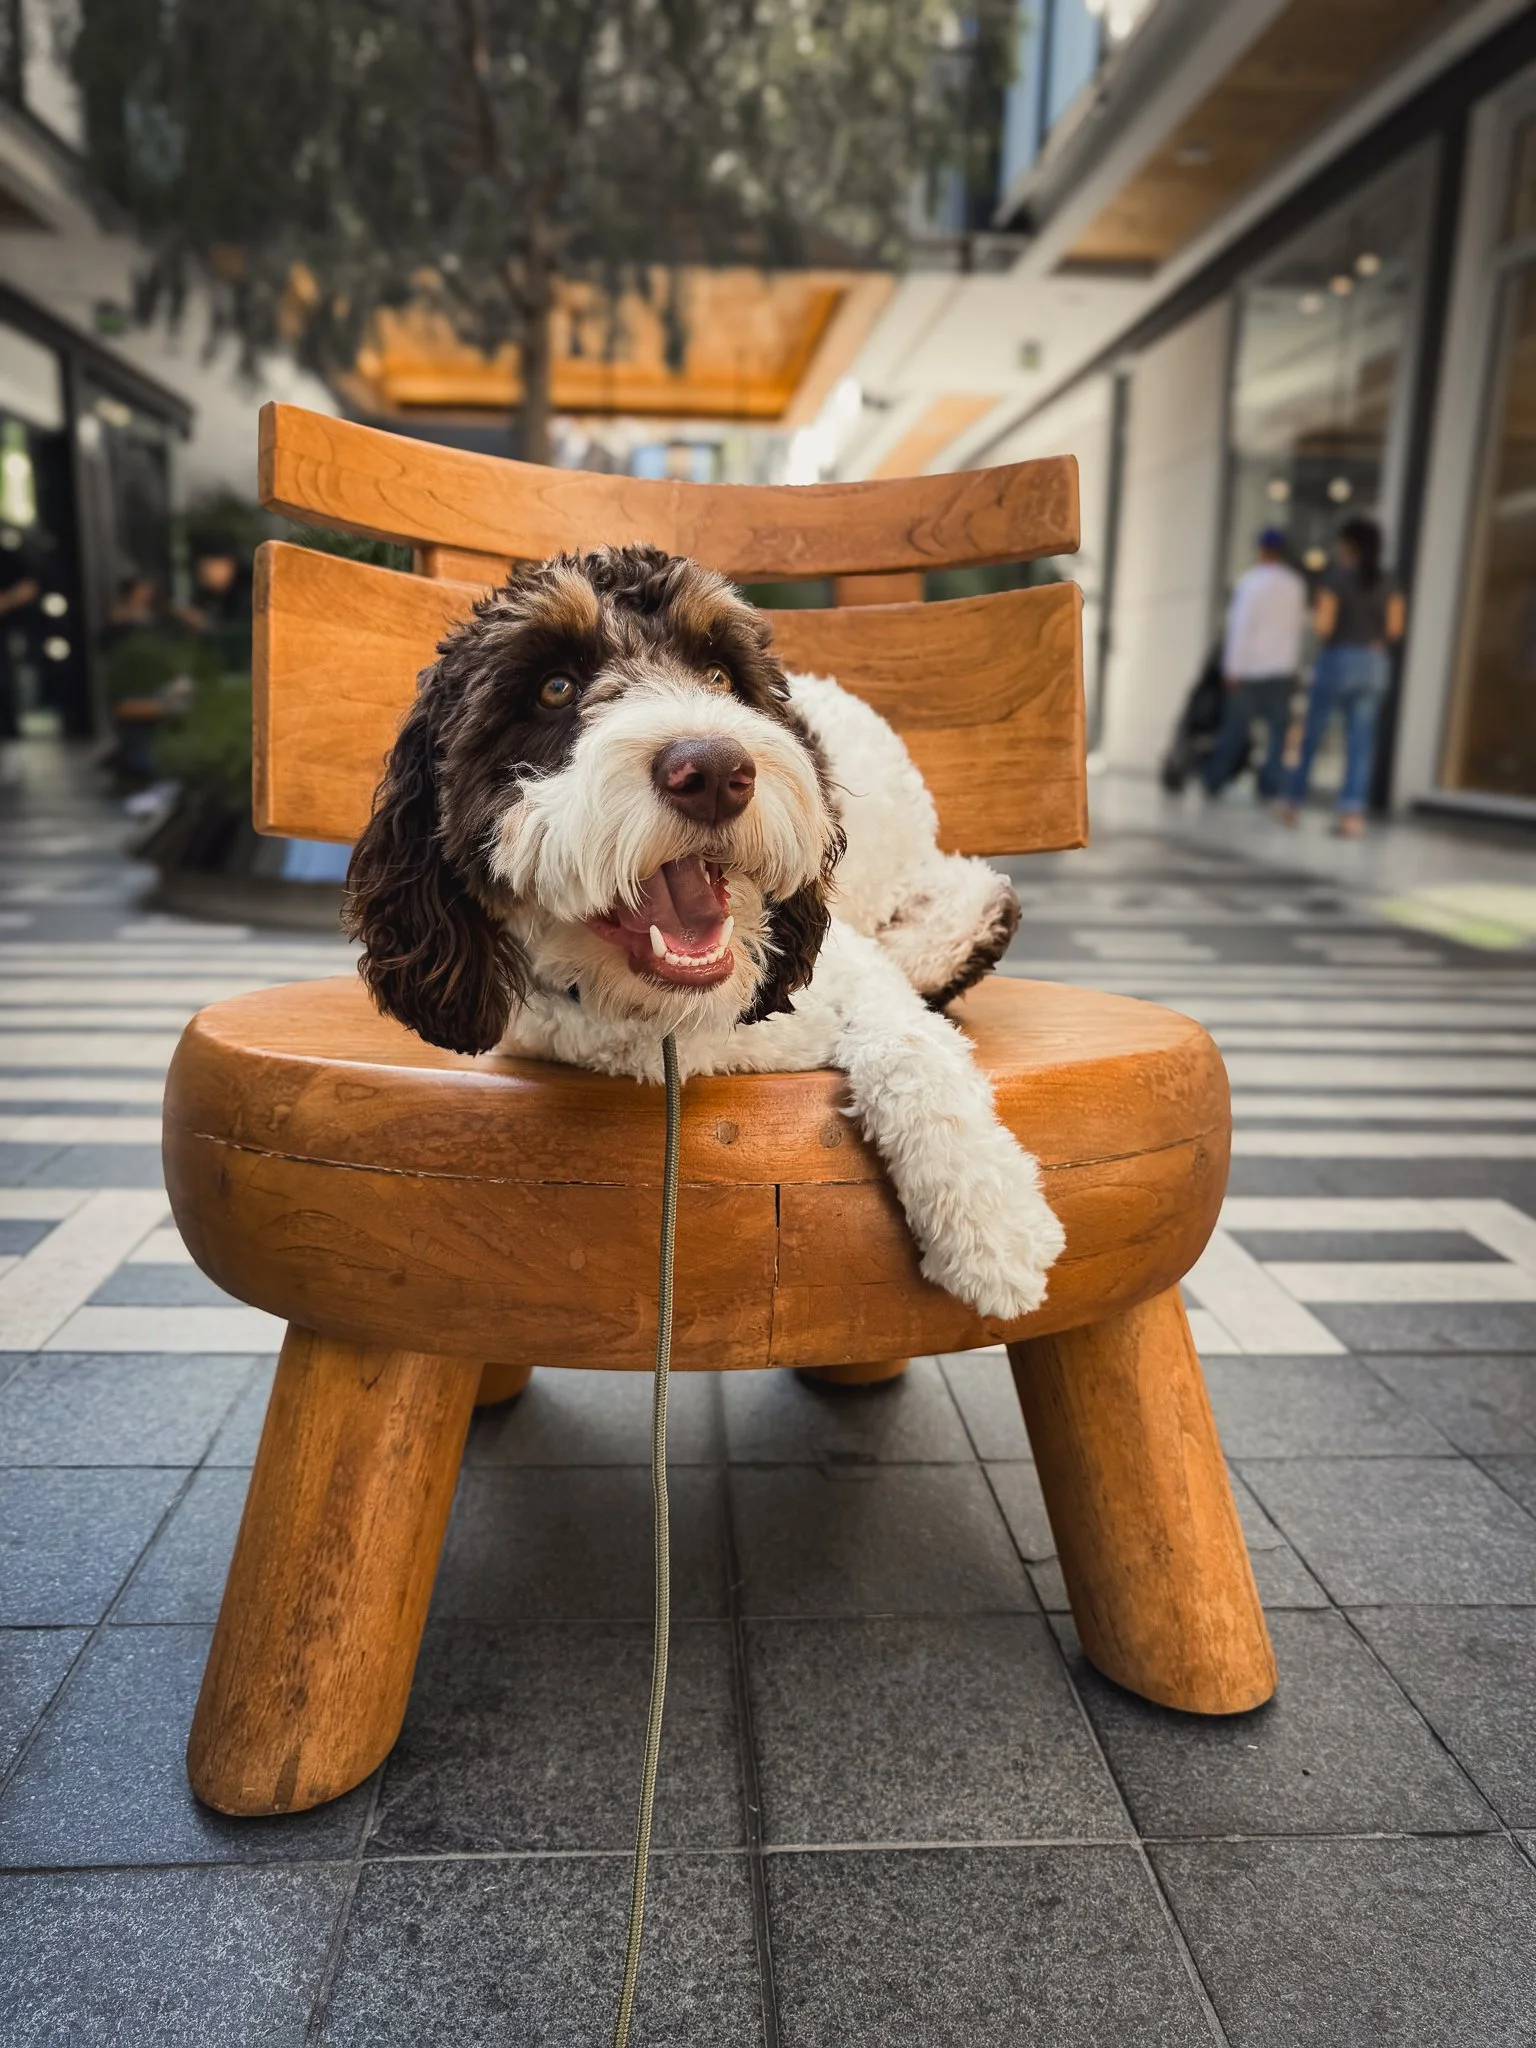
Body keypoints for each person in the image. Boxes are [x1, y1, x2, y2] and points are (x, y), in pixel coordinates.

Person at [1277, 516, 1405, 836]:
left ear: (1349, 544)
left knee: (1313, 734)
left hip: (1338, 659)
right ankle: (1352, 814)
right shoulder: (1389, 582)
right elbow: (1394, 628)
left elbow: (1324, 626)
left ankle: (1292, 802)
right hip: (1373, 662)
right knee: (1360, 742)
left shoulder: (1336, 580)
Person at [1203, 527, 1306, 799]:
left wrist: (1231, 668)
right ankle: (1270, 786)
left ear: (1261, 550)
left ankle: (1214, 781)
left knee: (1234, 730)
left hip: (1249, 670)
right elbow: (1297, 629)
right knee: (1277, 736)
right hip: (1282, 669)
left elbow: (1240, 628)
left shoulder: (1250, 582)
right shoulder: (1295, 585)